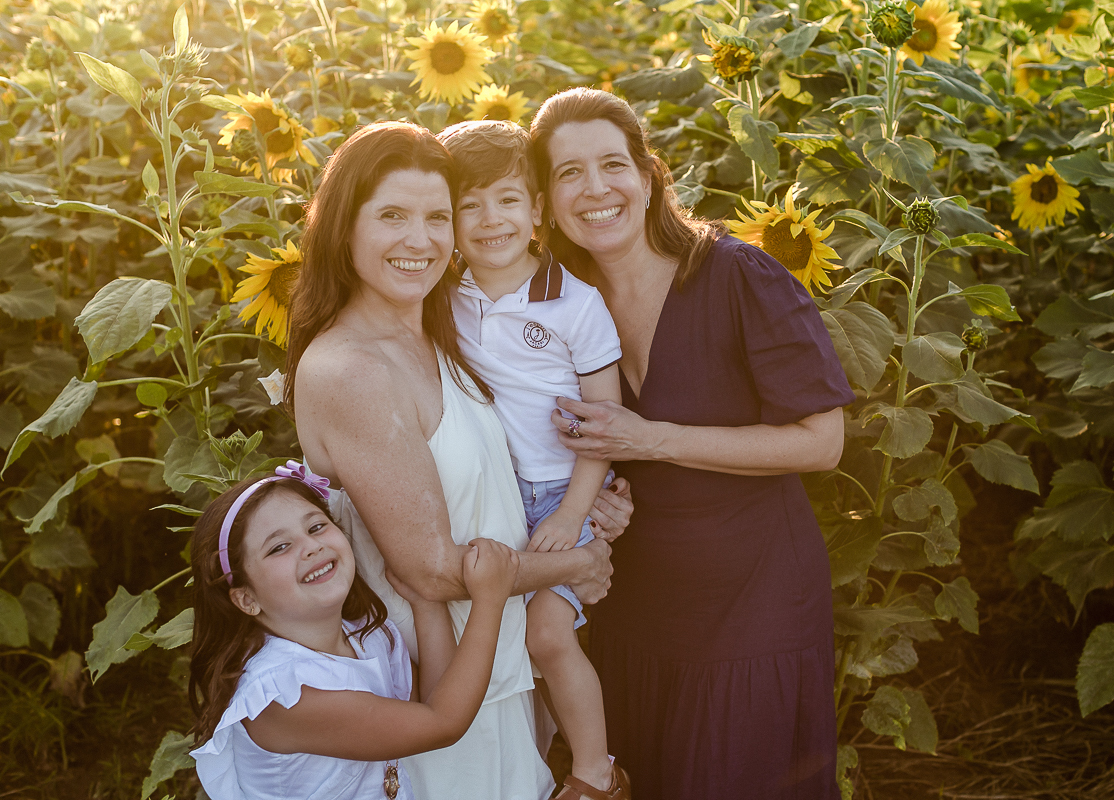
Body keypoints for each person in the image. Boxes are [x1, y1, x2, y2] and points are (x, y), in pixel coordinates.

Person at [283, 121, 632, 800]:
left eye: (436, 216)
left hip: (498, 666)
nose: (421, 240)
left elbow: (523, 447)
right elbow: (431, 569)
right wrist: (575, 562)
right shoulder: (351, 368)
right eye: (391, 216)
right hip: (426, 690)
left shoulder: (445, 327)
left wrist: (594, 500)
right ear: (342, 228)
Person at [529, 88, 856, 800]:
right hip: (636, 604)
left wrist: (654, 440)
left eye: (612, 165)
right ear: (546, 200)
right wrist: (604, 496)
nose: (595, 190)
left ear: (647, 177)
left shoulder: (738, 275)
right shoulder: (561, 309)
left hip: (753, 596)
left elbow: (822, 441)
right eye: (567, 174)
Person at [437, 119, 629, 800]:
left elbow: (604, 425)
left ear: (539, 211)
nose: (491, 220)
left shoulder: (575, 304)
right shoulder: (443, 300)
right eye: (470, 205)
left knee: (548, 636)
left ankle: (596, 776)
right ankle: (536, 765)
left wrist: (576, 512)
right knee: (505, 646)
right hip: (491, 498)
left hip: (558, 493)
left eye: (509, 200)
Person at [188, 461, 520, 800]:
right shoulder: (282, 696)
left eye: (316, 527)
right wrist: (490, 599)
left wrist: (426, 601)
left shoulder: (365, 636)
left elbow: (433, 700)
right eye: (279, 547)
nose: (311, 546)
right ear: (246, 599)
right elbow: (443, 723)